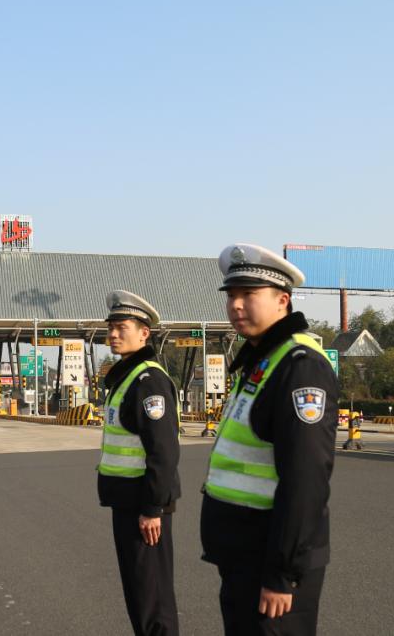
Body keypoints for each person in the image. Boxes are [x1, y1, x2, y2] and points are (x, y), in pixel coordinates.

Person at [201, 243, 339, 636]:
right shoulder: (260, 361)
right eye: (232, 295)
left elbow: (306, 479)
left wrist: (283, 574)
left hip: (272, 561)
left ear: (283, 300)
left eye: (249, 294)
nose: (237, 305)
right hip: (244, 554)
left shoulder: (300, 367)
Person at [98, 289, 181, 636]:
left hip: (144, 509)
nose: (114, 334)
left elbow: (162, 450)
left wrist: (153, 508)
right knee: (139, 593)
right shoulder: (126, 377)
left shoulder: (149, 380)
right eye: (111, 327)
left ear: (144, 333)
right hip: (128, 503)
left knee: (152, 598)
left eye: (123, 327)